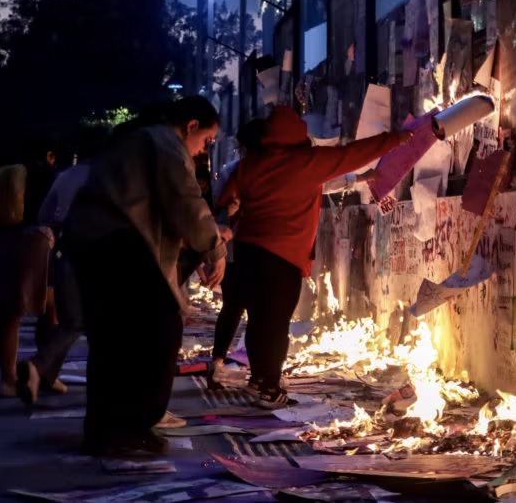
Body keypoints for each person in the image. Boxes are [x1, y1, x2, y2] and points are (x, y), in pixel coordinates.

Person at [64, 96, 228, 458]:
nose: (203, 151)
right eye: (205, 141)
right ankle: (129, 428)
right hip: (117, 245)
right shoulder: (164, 143)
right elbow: (185, 201)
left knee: (114, 341)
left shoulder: (138, 139)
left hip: (95, 242)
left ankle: (108, 430)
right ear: (190, 126)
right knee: (154, 335)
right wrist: (214, 247)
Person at [218, 105, 410, 408]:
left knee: (257, 320)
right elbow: (355, 152)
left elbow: (225, 201)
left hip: (247, 251)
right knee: (277, 323)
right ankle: (270, 387)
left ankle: (258, 380)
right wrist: (400, 138)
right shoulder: (309, 161)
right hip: (283, 257)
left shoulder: (250, 165)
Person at [16, 127, 108, 405]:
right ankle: (39, 364)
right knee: (89, 322)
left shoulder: (65, 176)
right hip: (97, 255)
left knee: (71, 320)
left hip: (65, 253)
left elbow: (45, 215)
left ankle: (44, 373)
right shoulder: (106, 177)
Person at [0, 149, 55, 397]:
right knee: (51, 304)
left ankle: (8, 378)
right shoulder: (35, 175)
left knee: (6, 316)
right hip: (30, 242)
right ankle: (44, 369)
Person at [208, 120, 266, 387]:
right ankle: (257, 374)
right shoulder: (241, 171)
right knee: (253, 312)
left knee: (233, 309)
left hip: (239, 250)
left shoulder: (234, 170)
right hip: (251, 249)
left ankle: (219, 362)